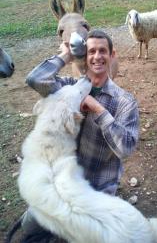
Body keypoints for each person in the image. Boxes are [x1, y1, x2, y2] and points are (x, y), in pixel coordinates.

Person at [20, 29, 139, 240]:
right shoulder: (69, 88)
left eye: (103, 51)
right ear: (85, 56)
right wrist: (66, 55)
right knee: (29, 227)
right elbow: (34, 79)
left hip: (97, 188)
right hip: (61, 182)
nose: (97, 56)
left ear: (112, 55)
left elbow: (126, 147)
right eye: (91, 51)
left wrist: (99, 111)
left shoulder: (124, 101)